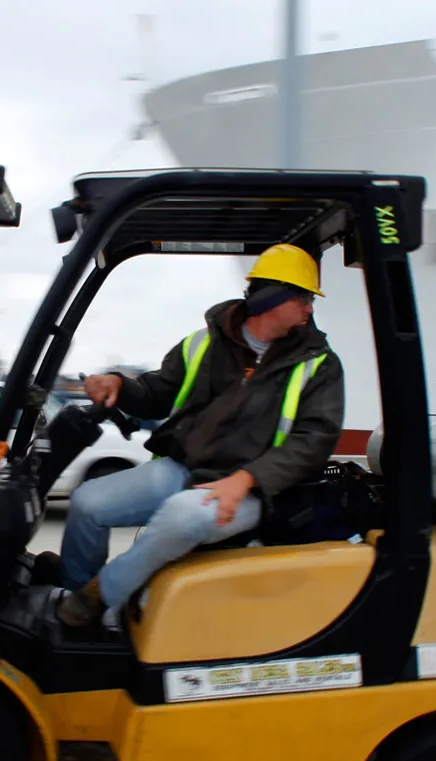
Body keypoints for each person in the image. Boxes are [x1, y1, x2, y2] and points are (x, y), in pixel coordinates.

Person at [54, 244, 346, 627]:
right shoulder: (204, 343)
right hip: (183, 468)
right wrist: (119, 385)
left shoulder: (320, 364)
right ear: (272, 298)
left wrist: (248, 479)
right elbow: (157, 393)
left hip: (252, 487)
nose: (310, 309)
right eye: (303, 298)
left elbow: (314, 440)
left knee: (180, 517)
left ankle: (99, 596)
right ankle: (72, 600)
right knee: (89, 502)